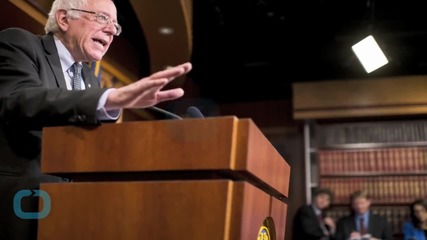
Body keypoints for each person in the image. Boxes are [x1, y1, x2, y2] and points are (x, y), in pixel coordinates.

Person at [0, 0, 192, 239]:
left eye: (115, 25)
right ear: (63, 18)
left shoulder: (89, 79)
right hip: (18, 204)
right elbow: (20, 100)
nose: (112, 31)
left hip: (70, 209)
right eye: (102, 18)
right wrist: (108, 98)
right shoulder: (20, 43)